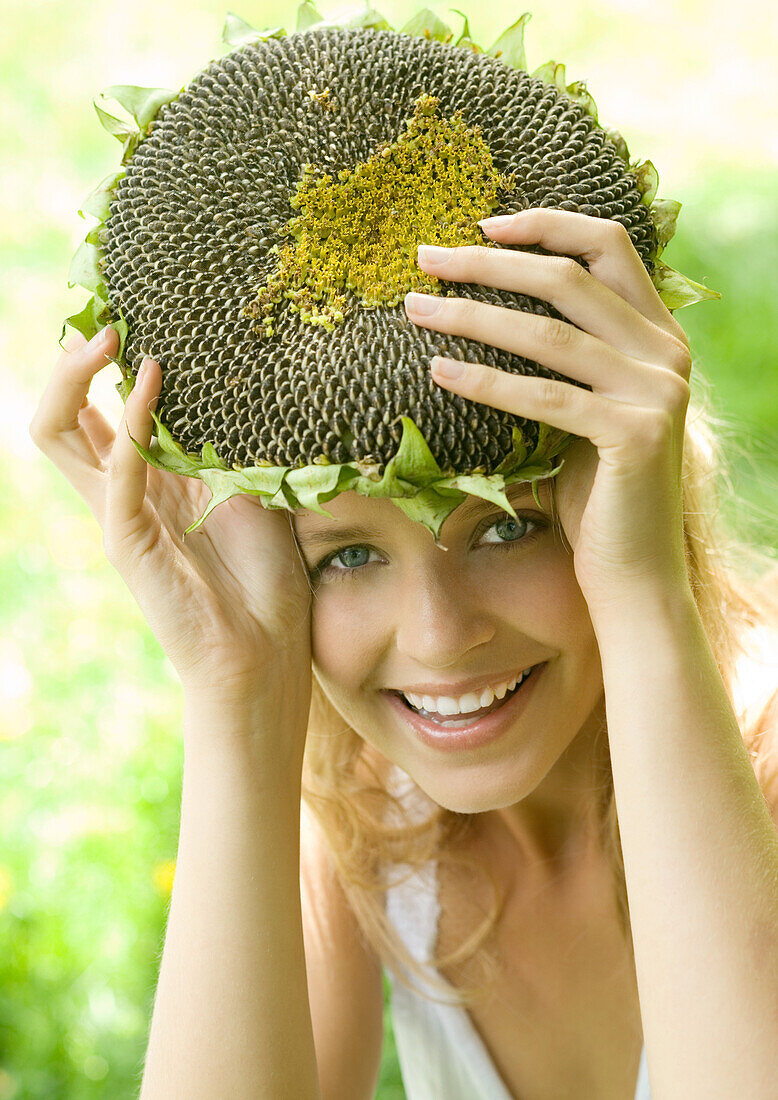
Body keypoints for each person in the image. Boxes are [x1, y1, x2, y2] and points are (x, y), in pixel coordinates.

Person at [31, 209, 778, 1099]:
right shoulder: (368, 810)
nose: (437, 637)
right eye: (346, 556)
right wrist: (238, 695)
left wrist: (647, 599)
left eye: (507, 528)